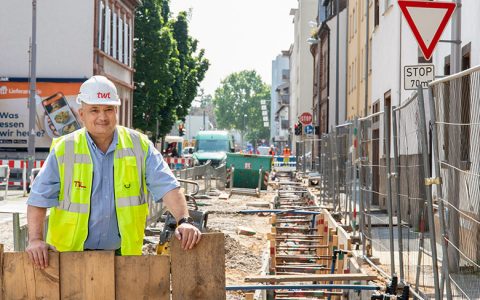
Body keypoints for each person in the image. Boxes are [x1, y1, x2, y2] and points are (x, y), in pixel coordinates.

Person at [26, 75, 201, 269]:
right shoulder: (64, 148)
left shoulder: (139, 145)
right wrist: (35, 239)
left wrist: (184, 221)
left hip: (123, 258)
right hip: (69, 259)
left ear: (116, 111)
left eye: (108, 109)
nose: (102, 116)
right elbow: (38, 197)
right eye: (94, 110)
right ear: (81, 114)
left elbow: (167, 186)